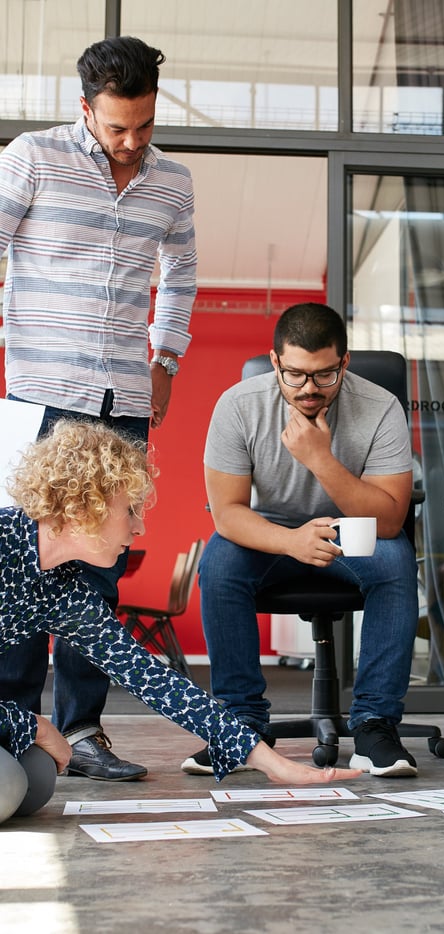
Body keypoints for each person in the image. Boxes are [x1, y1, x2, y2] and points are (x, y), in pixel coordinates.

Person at [0, 36, 197, 780]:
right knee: (21, 556)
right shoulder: (33, 158)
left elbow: (180, 271)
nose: (131, 142)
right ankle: (13, 723)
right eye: (117, 127)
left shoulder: (172, 183)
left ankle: (83, 731)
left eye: (144, 126)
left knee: (99, 570)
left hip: (122, 395)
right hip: (39, 395)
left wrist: (166, 357)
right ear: (85, 109)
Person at [0, 421, 359, 825]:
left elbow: (150, 677)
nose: (140, 527)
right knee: (8, 783)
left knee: (36, 780)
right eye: (129, 511)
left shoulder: (62, 588)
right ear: (83, 507)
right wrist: (34, 725)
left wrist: (270, 762)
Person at [182, 302, 420, 779]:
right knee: (220, 564)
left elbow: (391, 519)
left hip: (350, 529)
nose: (309, 389)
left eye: (324, 375)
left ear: (344, 362)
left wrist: (320, 459)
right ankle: (240, 724)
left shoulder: (380, 406)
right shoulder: (238, 405)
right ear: (275, 362)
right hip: (270, 533)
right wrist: (291, 541)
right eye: (295, 375)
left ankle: (374, 724)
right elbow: (228, 514)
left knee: (395, 561)